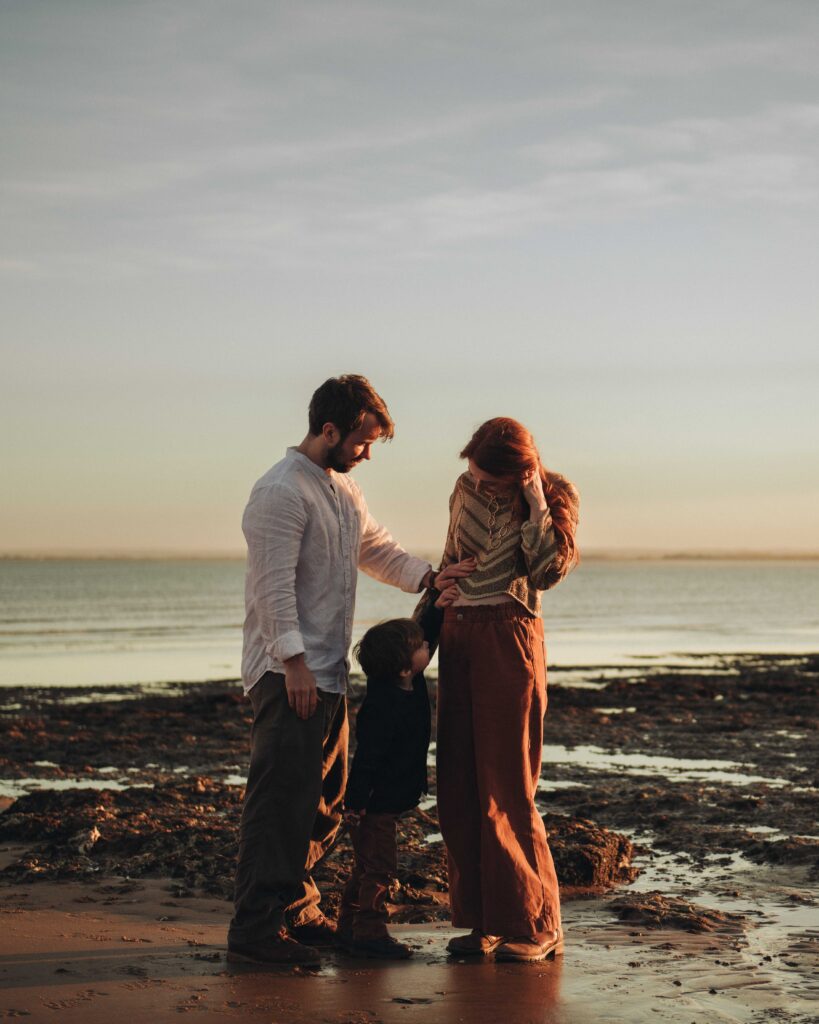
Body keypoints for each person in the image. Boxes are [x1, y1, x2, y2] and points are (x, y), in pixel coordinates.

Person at [227, 375, 472, 966]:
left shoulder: (343, 491)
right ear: (329, 429)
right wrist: (293, 663)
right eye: (362, 441)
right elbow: (271, 589)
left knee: (323, 802)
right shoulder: (281, 491)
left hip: (328, 672)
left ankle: (297, 909)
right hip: (289, 673)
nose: (366, 453)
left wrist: (429, 578)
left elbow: (376, 549)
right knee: (281, 803)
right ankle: (255, 932)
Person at [434, 417, 580, 963]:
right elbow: (450, 559)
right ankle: (486, 921)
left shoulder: (553, 495)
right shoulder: (463, 488)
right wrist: (428, 618)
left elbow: (546, 573)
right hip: (458, 635)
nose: (479, 484)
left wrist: (536, 504)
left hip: (509, 635)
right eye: (474, 473)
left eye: (490, 479)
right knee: (459, 785)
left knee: (508, 784)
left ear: (521, 472)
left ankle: (538, 923)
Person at [338, 618, 432, 959]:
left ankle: (349, 928)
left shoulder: (411, 683)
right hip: (371, 806)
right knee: (379, 869)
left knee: (366, 867)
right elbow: (367, 758)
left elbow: (427, 633)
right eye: (421, 646)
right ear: (404, 667)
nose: (427, 647)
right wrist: (356, 802)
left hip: (384, 802)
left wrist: (437, 604)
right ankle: (369, 932)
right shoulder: (382, 705)